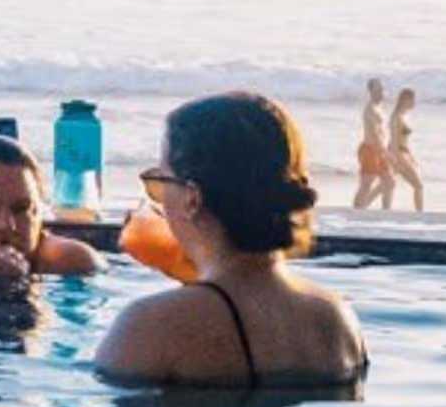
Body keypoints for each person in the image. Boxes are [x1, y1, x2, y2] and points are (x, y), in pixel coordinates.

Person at [98, 92, 367, 387]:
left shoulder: (150, 325)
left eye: (160, 181)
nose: (158, 201)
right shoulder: (337, 318)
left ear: (192, 198)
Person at [0, 133, 103, 289]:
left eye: (21, 209)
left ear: (38, 214)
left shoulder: (70, 262)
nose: (6, 225)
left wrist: (6, 287)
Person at [351, 77, 390, 209]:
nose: (381, 92)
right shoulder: (369, 109)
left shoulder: (378, 107)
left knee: (389, 182)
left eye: (382, 89)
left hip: (379, 149)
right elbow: (374, 132)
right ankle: (357, 210)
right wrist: (384, 151)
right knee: (366, 184)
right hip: (370, 149)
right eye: (378, 89)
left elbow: (382, 131)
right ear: (371, 91)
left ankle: (365, 205)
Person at [385, 86, 424, 210]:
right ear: (404, 100)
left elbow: (405, 140)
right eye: (412, 100)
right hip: (396, 152)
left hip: (403, 152)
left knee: (387, 185)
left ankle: (382, 209)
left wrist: (411, 157)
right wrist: (398, 158)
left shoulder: (404, 115)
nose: (414, 103)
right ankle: (420, 214)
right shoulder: (396, 117)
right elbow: (394, 140)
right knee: (418, 185)